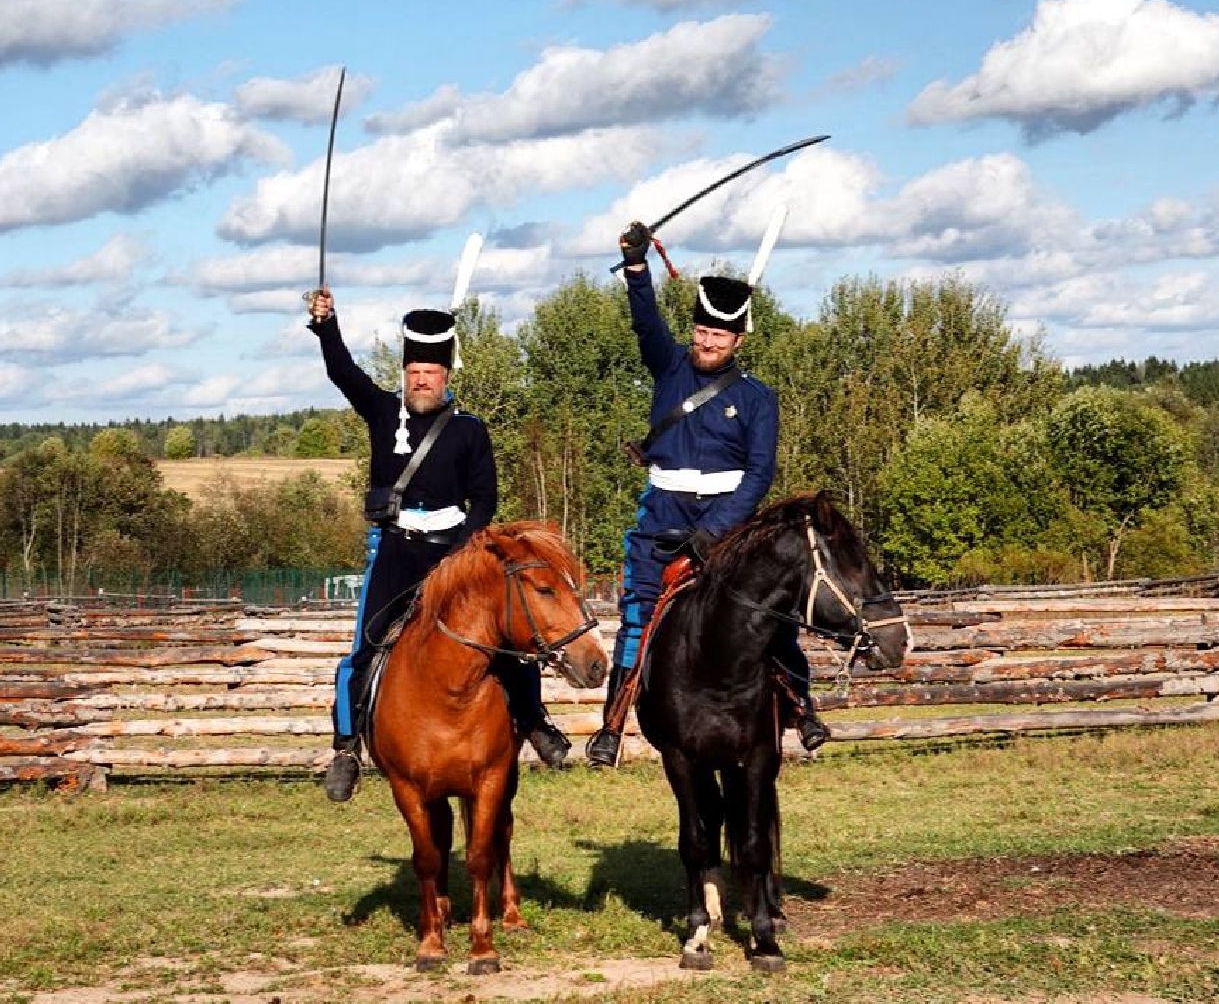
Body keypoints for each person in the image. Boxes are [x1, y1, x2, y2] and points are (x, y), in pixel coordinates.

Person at [583, 222, 830, 768]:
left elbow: (759, 474)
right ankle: (612, 725)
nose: (707, 341)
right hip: (661, 516)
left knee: (769, 613)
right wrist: (636, 267)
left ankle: (801, 706)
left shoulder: (759, 399)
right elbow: (645, 322)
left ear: (739, 339)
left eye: (719, 335)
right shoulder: (670, 366)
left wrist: (717, 528)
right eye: (701, 331)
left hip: (729, 522)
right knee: (637, 615)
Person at [308, 289, 571, 802]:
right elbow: (343, 372)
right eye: (413, 371)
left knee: (509, 645)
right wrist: (326, 325)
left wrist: (462, 552)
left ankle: (535, 723)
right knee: (367, 645)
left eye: (430, 371)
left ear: (447, 375)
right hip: (396, 550)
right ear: (404, 373)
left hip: (456, 555)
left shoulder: (470, 430)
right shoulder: (383, 412)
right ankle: (347, 746)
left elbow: (485, 500)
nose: (421, 380)